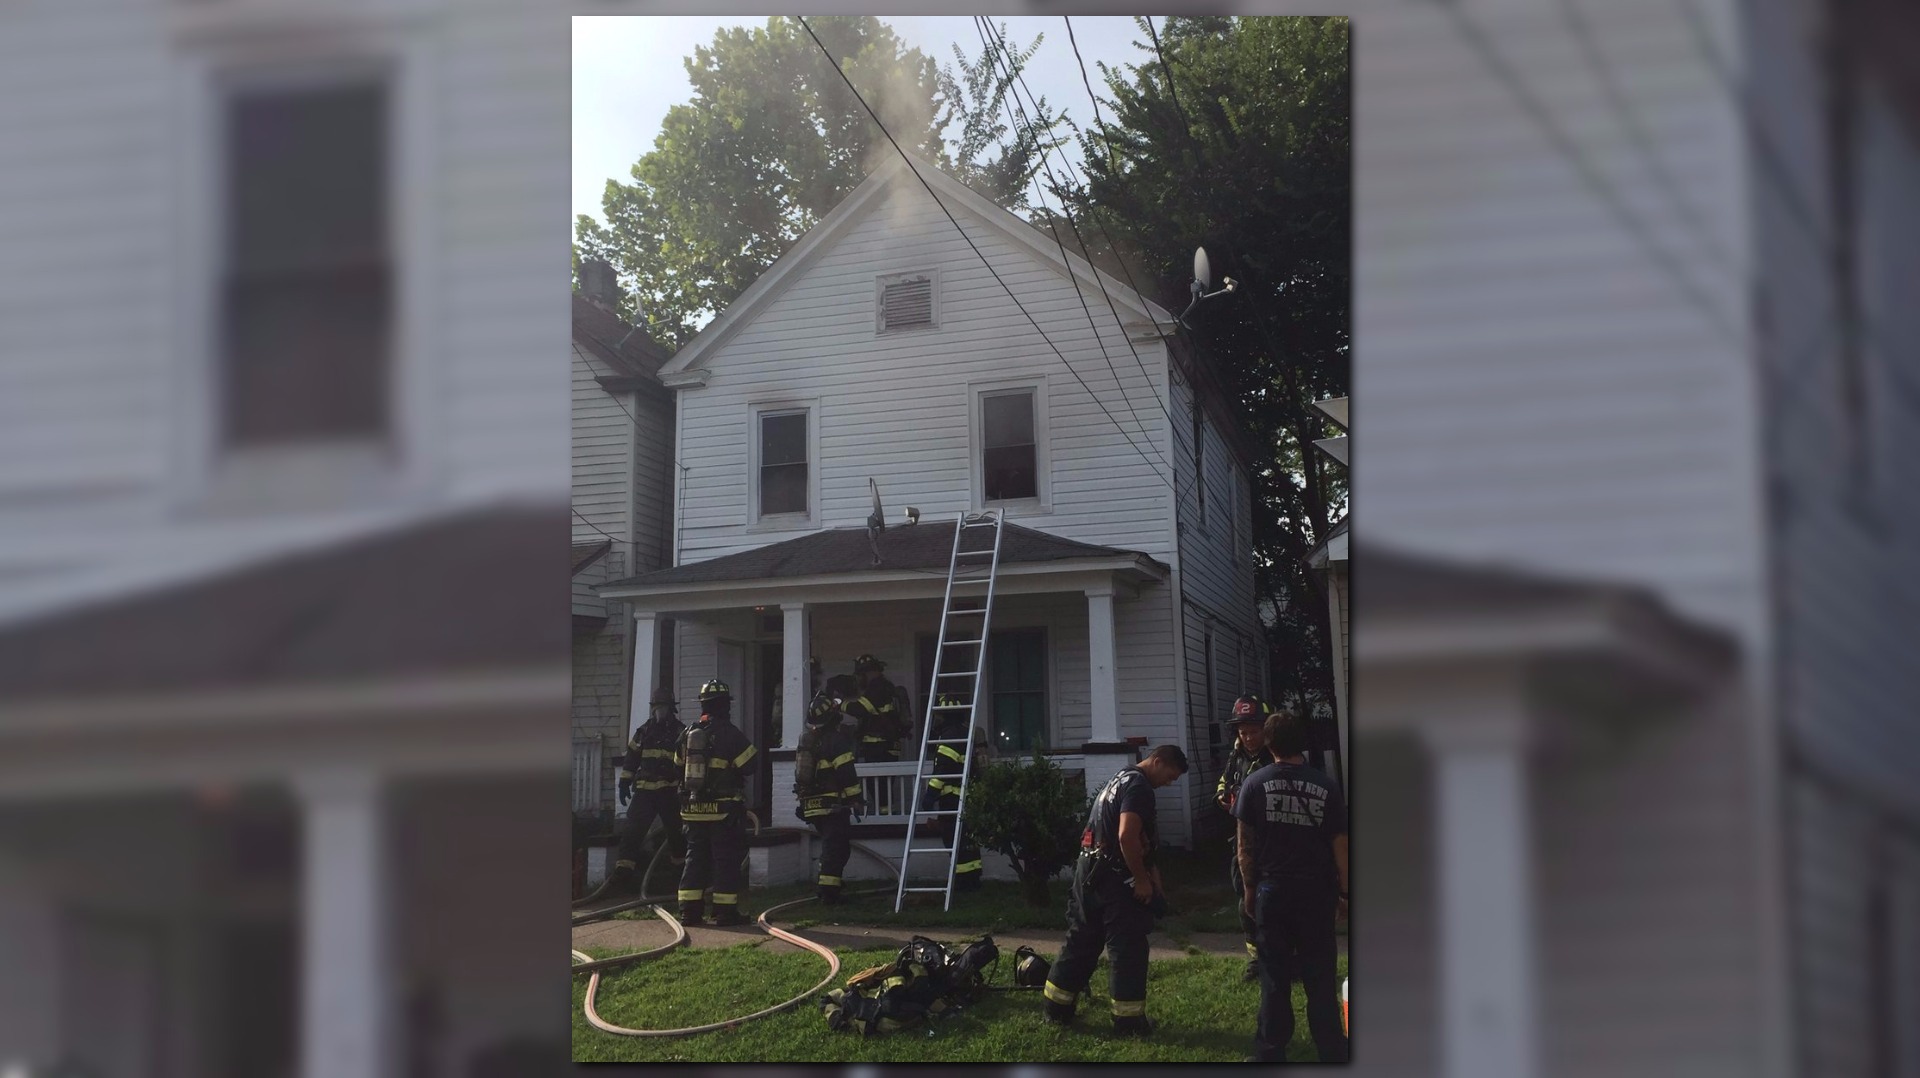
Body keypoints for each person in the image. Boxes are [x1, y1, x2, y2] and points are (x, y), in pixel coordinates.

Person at [1043, 744, 1189, 1036]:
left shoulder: (1120, 777)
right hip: (1115, 877)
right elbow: (1126, 836)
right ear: (1157, 761)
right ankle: (1129, 1022)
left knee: (1083, 938)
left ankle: (1056, 1008)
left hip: (1090, 870)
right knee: (1128, 947)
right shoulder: (1140, 788)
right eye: (1169, 776)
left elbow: (1138, 840)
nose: (1168, 783)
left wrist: (1153, 874)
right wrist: (1142, 880)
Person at [1237, 708, 1350, 1063]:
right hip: (1316, 893)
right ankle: (1332, 1050)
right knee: (1320, 976)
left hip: (1273, 893)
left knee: (1274, 976)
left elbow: (1244, 847)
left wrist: (1250, 890)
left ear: (1268, 743)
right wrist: (1345, 892)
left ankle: (1270, 1052)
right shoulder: (1326, 787)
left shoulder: (1254, 785)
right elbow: (1340, 846)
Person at [674, 679, 757, 926]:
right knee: (725, 859)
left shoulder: (687, 733)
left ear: (703, 706)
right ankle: (724, 912)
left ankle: (689, 912)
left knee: (694, 858)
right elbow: (750, 766)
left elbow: (677, 767)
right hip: (723, 810)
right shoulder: (730, 733)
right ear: (724, 706)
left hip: (693, 808)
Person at [597, 688, 687, 899]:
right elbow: (631, 759)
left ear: (670, 708)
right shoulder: (644, 731)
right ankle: (624, 874)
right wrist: (624, 782)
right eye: (656, 706)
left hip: (669, 792)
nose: (659, 711)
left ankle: (680, 874)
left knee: (676, 833)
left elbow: (686, 762)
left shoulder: (681, 732)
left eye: (662, 706)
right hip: (645, 792)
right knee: (632, 831)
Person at [1216, 694, 1272, 981]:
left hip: (1271, 843)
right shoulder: (1236, 755)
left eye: (1254, 731)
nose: (1248, 738)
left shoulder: (1276, 755)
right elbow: (1224, 783)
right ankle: (1257, 960)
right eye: (1243, 732)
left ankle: (1288, 957)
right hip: (1242, 842)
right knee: (1245, 901)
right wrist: (1224, 797)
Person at [795, 689, 863, 903]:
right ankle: (829, 892)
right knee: (836, 848)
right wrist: (856, 799)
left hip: (812, 804)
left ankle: (829, 885)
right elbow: (846, 774)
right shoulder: (837, 740)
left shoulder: (810, 741)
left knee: (832, 847)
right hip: (832, 805)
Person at [920, 693, 987, 892]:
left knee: (955, 839)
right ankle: (973, 880)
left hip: (953, 799)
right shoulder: (964, 732)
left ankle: (963, 883)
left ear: (944, 715)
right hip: (968, 797)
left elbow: (942, 770)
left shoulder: (949, 736)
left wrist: (930, 795)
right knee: (968, 841)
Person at [844, 654, 911, 763]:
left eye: (859, 675)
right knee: (884, 780)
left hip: (878, 747)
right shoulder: (887, 686)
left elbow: (859, 709)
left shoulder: (877, 687)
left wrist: (839, 704)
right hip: (889, 745)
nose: (858, 679)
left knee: (875, 779)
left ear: (867, 672)